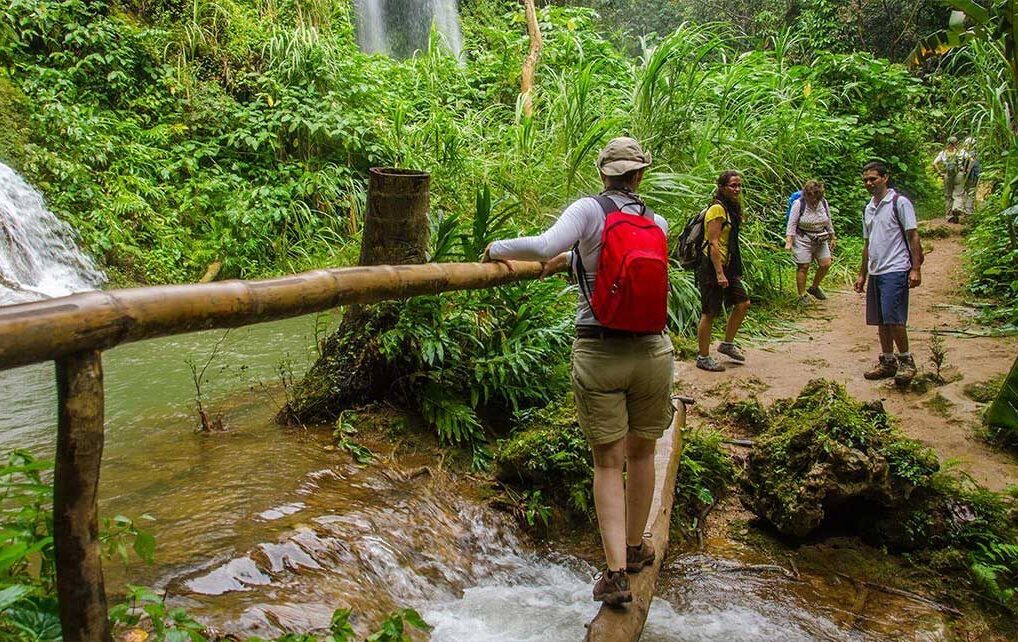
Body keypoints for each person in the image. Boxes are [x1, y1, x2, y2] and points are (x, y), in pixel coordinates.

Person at [483, 137, 673, 607]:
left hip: (600, 350)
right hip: (653, 350)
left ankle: (614, 575)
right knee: (644, 454)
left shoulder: (589, 210)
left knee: (609, 462)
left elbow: (547, 244)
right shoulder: (657, 222)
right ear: (640, 175)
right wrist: (571, 260)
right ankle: (635, 548)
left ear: (603, 172)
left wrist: (495, 248)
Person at [854, 161, 924, 386]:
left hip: (895, 268)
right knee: (881, 320)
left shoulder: (899, 203)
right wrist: (862, 274)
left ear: (885, 178)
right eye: (865, 180)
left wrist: (915, 268)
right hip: (876, 270)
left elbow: (913, 235)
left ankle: (906, 361)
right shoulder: (869, 208)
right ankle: (887, 361)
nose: (869, 183)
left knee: (894, 318)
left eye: (873, 179)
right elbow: (867, 243)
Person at [695, 170, 750, 372]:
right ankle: (703, 356)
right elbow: (713, 243)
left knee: (743, 303)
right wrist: (719, 272)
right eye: (732, 186)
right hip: (712, 266)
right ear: (722, 187)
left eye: (739, 186)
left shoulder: (731, 208)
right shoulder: (717, 209)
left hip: (728, 265)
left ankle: (727, 344)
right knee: (709, 311)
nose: (737, 189)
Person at [785, 179, 835, 305]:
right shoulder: (798, 204)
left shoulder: (823, 202)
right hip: (802, 237)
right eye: (810, 196)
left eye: (815, 197)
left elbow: (828, 220)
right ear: (806, 194)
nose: (813, 200)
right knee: (803, 266)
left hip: (820, 237)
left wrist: (832, 236)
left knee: (826, 264)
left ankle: (814, 287)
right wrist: (789, 242)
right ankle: (802, 294)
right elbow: (792, 223)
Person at [933, 136, 969, 223]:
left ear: (948, 143)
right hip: (959, 175)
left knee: (948, 195)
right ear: (956, 143)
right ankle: (956, 208)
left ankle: (949, 215)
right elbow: (970, 159)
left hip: (947, 175)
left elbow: (934, 163)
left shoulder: (943, 153)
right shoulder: (961, 152)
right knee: (958, 193)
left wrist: (939, 173)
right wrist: (965, 170)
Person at [962, 136, 980, 216]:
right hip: (972, 176)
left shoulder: (968, 154)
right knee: (970, 192)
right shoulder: (973, 154)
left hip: (970, 176)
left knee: (967, 192)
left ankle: (966, 209)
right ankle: (968, 210)